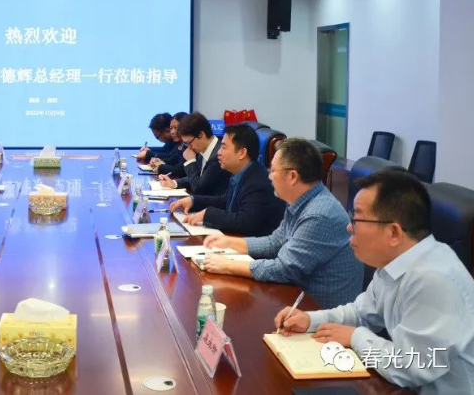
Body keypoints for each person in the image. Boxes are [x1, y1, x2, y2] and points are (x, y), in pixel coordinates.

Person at [275, 170, 474, 394]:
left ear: (394, 232)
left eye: (357, 219)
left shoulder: (433, 278)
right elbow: (362, 313)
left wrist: (356, 337)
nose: (349, 227)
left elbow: (411, 366)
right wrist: (310, 320)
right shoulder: (395, 261)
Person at [201, 138, 362, 309]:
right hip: (296, 299)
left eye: (273, 170)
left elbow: (284, 269)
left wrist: (228, 266)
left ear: (292, 176)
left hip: (319, 312)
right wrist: (230, 242)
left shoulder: (319, 214)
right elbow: (276, 242)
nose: (269, 176)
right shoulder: (301, 200)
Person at [169, 124, 284, 236]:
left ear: (242, 153)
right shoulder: (240, 172)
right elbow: (224, 201)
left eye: (224, 147)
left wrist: (208, 214)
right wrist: (193, 201)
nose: (219, 152)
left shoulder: (259, 182)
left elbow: (245, 222)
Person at [159, 111, 230, 196]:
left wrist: (190, 162)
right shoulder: (203, 149)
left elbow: (198, 188)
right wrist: (174, 183)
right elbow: (196, 178)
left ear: (201, 135)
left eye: (189, 143)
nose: (189, 147)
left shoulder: (217, 156)